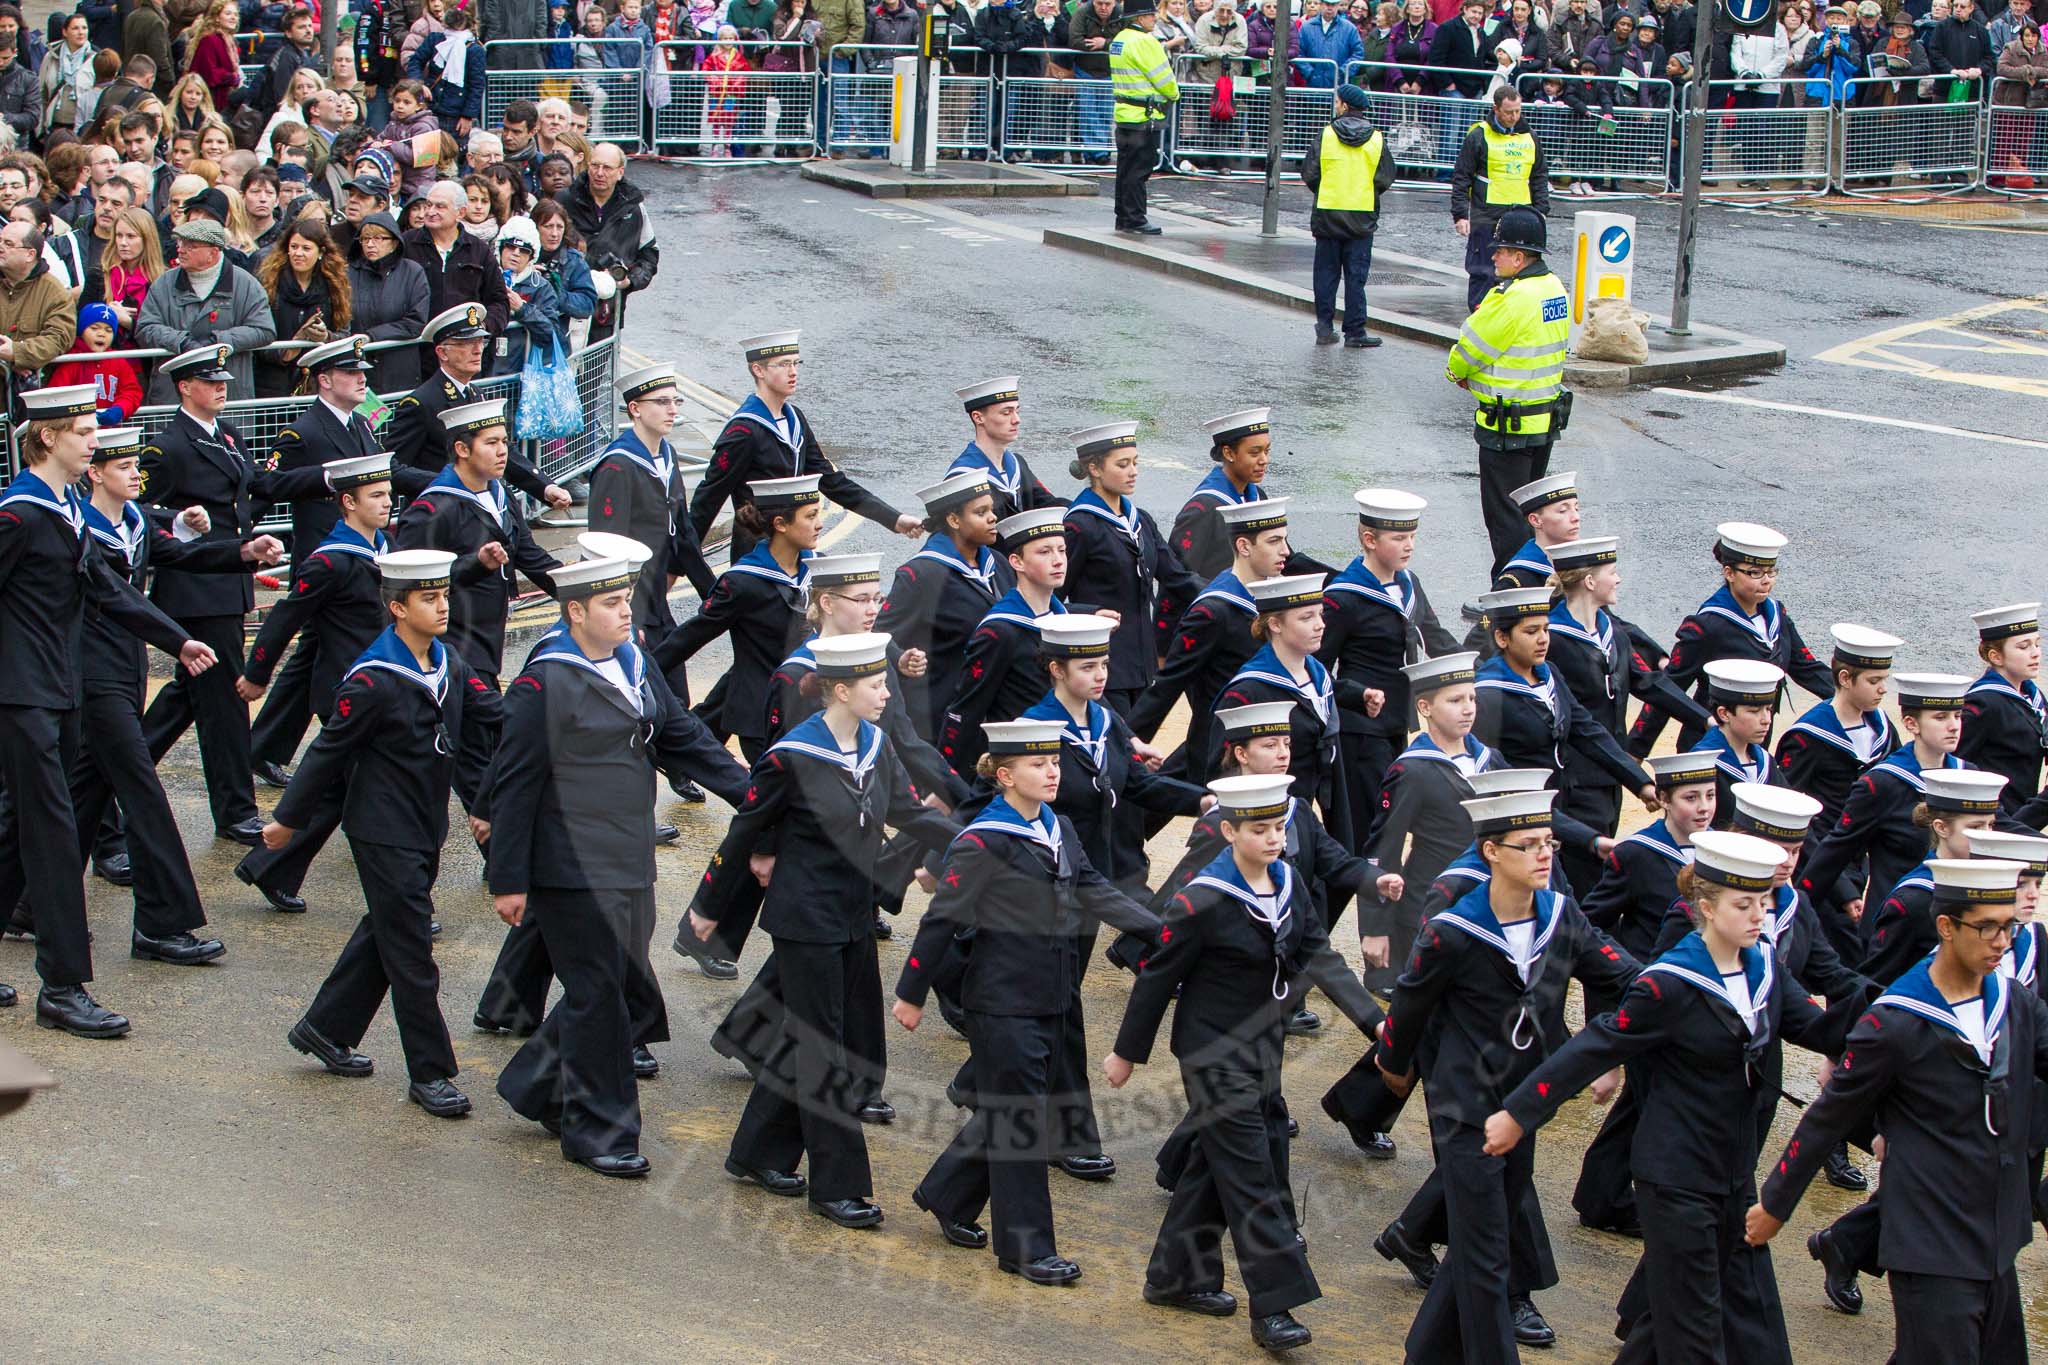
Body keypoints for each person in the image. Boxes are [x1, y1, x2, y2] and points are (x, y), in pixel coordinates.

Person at [1489, 829, 1853, 1363]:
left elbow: (1822, 1031)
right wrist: (1520, 1112)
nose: (1759, 915)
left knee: (1710, 1330)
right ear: (1706, 907)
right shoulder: (1669, 983)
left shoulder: (1765, 970)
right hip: (1675, 1177)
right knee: (1695, 1336)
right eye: (1744, 904)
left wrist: (1897, 1020)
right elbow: (1596, 1046)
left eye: (1763, 903)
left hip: (1732, 1176)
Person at [684, 633, 960, 1217]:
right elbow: (744, 833)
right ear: (840, 690)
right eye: (876, 684)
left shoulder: (876, 745)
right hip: (804, 918)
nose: (887, 693)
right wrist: (707, 907)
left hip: (851, 911)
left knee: (807, 1039)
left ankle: (757, 1150)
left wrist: (977, 846)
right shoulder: (792, 755)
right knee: (824, 1047)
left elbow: (908, 812)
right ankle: (837, 1186)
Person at [1108, 772, 1386, 1350]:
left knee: (1215, 1166)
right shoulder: (1201, 899)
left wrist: (1375, 1022)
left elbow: (1318, 954)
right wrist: (1126, 1053)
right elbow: (1158, 978)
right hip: (1212, 1054)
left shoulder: (1287, 880)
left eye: (1280, 827)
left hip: (1264, 1049)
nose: (1274, 839)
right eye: (1260, 829)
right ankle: (1275, 1307)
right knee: (1250, 1173)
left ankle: (1175, 1276)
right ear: (1229, 830)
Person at [487, 555, 734, 1177]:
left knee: (619, 987)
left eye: (626, 600)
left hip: (628, 853)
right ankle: (600, 1132)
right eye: (609, 604)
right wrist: (508, 878)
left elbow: (681, 735)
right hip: (569, 864)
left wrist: (755, 792)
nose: (626, 611)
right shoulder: (545, 683)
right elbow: (515, 784)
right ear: (574, 612)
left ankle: (539, 1086)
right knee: (599, 993)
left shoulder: (632, 663)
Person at [1747, 856, 2048, 1365]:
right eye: (1989, 928)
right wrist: (1775, 1203)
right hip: (1929, 1235)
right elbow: (1831, 1115)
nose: (2003, 941)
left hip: (1995, 1233)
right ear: (1947, 927)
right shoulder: (1896, 1021)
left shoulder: (2012, 1001)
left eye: (2010, 927)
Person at [1374, 787, 1640, 1362]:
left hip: (1525, 1101)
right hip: (1464, 1106)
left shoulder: (1561, 916)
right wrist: (1393, 1068)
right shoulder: (1453, 928)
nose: (1546, 855)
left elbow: (1624, 975)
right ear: (1491, 852)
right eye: (1530, 846)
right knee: (1488, 1253)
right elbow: (1411, 1006)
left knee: (1478, 1246)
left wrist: (1648, 1019)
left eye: (1549, 844)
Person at [899, 715, 1162, 1279]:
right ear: (1003, 775)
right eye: (1038, 764)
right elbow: (942, 919)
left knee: (1013, 1111)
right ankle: (1026, 1249)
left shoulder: (1058, 826)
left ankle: (946, 1194)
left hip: (1052, 994)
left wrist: (1159, 930)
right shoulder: (983, 841)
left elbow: (1094, 888)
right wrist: (911, 991)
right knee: (1024, 1121)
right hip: (1002, 1001)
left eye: (1055, 762)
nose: (1051, 772)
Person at [0, 386, 218, 1036]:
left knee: (19, 829)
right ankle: (64, 986)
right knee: (50, 834)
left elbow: (106, 588)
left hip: (62, 692)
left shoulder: (65, 507)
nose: (94, 439)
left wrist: (176, 639)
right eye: (83, 430)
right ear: (46, 438)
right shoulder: (19, 515)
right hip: (23, 695)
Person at [269, 539, 493, 1113]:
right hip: (380, 829)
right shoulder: (372, 679)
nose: (442, 607)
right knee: (412, 951)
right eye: (428, 598)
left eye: (444, 595)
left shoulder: (449, 663)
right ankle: (431, 1073)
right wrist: (287, 820)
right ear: (397, 607)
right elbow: (326, 752)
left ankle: (326, 1027)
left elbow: (493, 711)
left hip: (423, 826)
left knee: (387, 932)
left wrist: (560, 711)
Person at [71, 425, 278, 967]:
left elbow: (180, 554)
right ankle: (162, 924)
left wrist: (244, 552)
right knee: (142, 793)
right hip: (89, 672)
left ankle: (22, 903)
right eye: (123, 468)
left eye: (137, 466)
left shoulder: (134, 520)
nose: (136, 475)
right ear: (95, 474)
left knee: (83, 790)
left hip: (125, 668)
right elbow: (115, 596)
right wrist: (180, 641)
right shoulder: (81, 529)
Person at [137, 345, 331, 845]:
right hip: (196, 590)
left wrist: (328, 477)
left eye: (224, 379)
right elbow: (138, 512)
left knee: (187, 694)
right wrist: (179, 522)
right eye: (209, 381)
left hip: (228, 582)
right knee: (223, 702)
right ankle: (234, 808)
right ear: (184, 388)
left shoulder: (225, 434)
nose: (223, 386)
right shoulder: (169, 447)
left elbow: (258, 486)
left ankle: (120, 768)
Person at [1318, 489, 1459, 871]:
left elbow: (1436, 638)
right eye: (1398, 538)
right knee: (1368, 843)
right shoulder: (1344, 597)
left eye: (1412, 536)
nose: (1409, 545)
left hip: (1396, 728)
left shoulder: (1409, 584)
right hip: (1359, 736)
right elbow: (1313, 669)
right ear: (1369, 539)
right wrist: (1356, 693)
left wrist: (1477, 667)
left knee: (1386, 838)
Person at [690, 329, 922, 559]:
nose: (793, 372)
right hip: (757, 559)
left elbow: (831, 481)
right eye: (782, 364)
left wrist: (894, 518)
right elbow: (708, 500)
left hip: (795, 551)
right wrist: (679, 569)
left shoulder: (795, 418)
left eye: (795, 363)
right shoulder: (743, 431)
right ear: (757, 370)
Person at [1626, 521, 1837, 758]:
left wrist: (1847, 700)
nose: (1766, 580)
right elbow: (1669, 687)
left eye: (1771, 571)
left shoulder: (1777, 615)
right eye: (1754, 573)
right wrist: (1636, 749)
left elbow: (1805, 667)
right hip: (1708, 746)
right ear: (1729, 573)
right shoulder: (1707, 625)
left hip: (1755, 743)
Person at [1130, 497, 1298, 787]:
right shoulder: (1212, 611)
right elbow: (1170, 683)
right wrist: (1127, 739)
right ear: (1244, 547)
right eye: (1274, 541)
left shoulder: (1273, 601)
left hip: (1271, 748)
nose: (1285, 551)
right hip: (1225, 758)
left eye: (1284, 540)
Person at [393, 400, 562, 686]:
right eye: (491, 442)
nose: (502, 451)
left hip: (487, 642)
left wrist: (582, 588)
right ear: (462, 449)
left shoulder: (501, 495)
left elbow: (529, 556)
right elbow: (410, 586)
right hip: (449, 649)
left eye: (505, 442)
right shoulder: (431, 511)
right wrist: (477, 564)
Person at [655, 474, 820, 766]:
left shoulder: (819, 570)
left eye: (818, 514)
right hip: (761, 720)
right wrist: (640, 674)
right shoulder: (743, 582)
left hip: (808, 711)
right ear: (780, 524)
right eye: (810, 516)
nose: (819, 524)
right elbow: (690, 637)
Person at [1445, 206, 1569, 579]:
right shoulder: (1553, 288)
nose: (1493, 254)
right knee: (1529, 513)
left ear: (1519, 257)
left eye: (1500, 250)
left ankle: (1512, 591)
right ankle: (1532, 581)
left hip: (1507, 428)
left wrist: (1456, 373)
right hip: (1542, 422)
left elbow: (1467, 349)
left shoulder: (1512, 298)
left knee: (1506, 519)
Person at [1774, 623, 1903, 953]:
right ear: (1845, 678)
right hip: (1825, 866)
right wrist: (1841, 890)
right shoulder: (1808, 736)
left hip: (1869, 863)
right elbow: (1791, 815)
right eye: (1874, 681)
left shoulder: (1883, 731)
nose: (1882, 690)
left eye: (1884, 681)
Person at [1061, 421, 1202, 717]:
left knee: (1139, 756)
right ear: (1095, 469)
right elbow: (1050, 597)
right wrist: (1088, 614)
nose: (1133, 471)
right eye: (1122, 464)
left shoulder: (1141, 521)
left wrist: (1230, 593)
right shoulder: (1080, 526)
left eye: (1135, 463)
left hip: (1143, 665)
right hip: (1102, 668)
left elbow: (1177, 577)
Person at [582, 362, 717, 662]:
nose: (673, 410)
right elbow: (609, 549)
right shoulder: (617, 466)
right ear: (635, 409)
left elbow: (683, 533)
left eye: (675, 401)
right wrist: (632, 618)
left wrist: (716, 595)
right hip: (632, 608)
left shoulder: (666, 454)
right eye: (662, 401)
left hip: (658, 604)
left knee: (676, 701)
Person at [940, 505, 1086, 778]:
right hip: (1026, 770)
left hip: (1072, 761)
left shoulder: (1064, 620)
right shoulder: (1000, 631)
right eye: (1044, 552)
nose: (1058, 560)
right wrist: (945, 784)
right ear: (1016, 562)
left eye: (1062, 550)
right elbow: (965, 712)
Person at [387, 303, 571, 510]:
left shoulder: (475, 394)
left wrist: (545, 488)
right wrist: (449, 483)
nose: (477, 350)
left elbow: (502, 452)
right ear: (442, 353)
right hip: (439, 513)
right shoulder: (421, 403)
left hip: (479, 508)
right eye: (465, 343)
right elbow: (392, 469)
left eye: (480, 342)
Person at [877, 469, 1013, 743]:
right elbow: (880, 633)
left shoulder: (997, 563)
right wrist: (900, 657)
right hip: (943, 718)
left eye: (992, 509)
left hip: (995, 707)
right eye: (980, 512)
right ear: (953, 519)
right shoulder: (922, 574)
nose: (993, 517)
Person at [135, 217, 275, 404]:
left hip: (228, 398)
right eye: (181, 243)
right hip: (173, 397)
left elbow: (264, 330)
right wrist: (182, 342)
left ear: (213, 252)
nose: (181, 249)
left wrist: (218, 342)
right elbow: (145, 328)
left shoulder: (246, 285)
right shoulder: (164, 284)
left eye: (191, 246)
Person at [1302, 82, 1396, 348]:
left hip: (1328, 214)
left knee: (1325, 274)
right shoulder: (1377, 138)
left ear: (1344, 105)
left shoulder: (1326, 134)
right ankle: (1355, 332)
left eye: (1337, 102)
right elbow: (1386, 176)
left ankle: (1324, 327)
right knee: (1356, 277)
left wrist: (1327, 191)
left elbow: (1309, 173)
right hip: (1361, 215)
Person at [1449, 86, 1552, 313]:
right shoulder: (1478, 135)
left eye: (1517, 111)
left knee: (1520, 272)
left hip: (1521, 217)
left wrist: (1542, 209)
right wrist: (1460, 214)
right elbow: (1462, 176)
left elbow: (1539, 175)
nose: (1514, 117)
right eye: (1508, 112)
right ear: (1495, 109)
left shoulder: (1530, 136)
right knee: (1483, 271)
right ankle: (1480, 320)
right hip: (1486, 216)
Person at [557, 142, 655, 340]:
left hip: (608, 309)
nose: (599, 173)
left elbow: (649, 255)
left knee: (600, 369)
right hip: (567, 305)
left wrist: (630, 281)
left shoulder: (633, 207)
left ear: (620, 172)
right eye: (595, 165)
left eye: (607, 168)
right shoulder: (564, 200)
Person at [1961, 602, 2048, 812]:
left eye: (2037, 644)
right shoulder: (1983, 702)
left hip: (2024, 814)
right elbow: (1957, 764)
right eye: (2023, 646)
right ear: (1995, 656)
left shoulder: (2033, 696)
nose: (2035, 653)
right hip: (1993, 820)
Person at [401, 181, 513, 340]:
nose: (431, 211)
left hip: (465, 346)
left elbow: (499, 301)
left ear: (460, 213)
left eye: (440, 206)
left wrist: (483, 326)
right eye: (428, 205)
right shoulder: (406, 245)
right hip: (418, 346)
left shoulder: (478, 250)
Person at [252, 216, 349, 397]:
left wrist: (325, 337)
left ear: (320, 252)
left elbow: (344, 333)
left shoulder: (334, 286)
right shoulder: (268, 283)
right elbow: (258, 335)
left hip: (318, 383)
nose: (298, 253)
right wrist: (290, 347)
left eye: (306, 248)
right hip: (273, 385)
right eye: (294, 247)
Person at [944, 376, 1065, 521]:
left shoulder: (1017, 464)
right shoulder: (962, 477)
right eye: (1006, 413)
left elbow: (1048, 504)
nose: (1016, 420)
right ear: (978, 418)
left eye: (1017, 411)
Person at [1108, 0, 1178, 234]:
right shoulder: (1145, 41)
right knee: (1139, 170)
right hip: (1143, 116)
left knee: (1125, 168)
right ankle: (1136, 218)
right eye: (1150, 15)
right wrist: (1174, 94)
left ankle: (1123, 216)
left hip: (1125, 112)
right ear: (1139, 18)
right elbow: (1164, 79)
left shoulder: (1120, 39)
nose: (1155, 18)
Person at [1692, 658, 1791, 821]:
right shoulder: (1702, 764)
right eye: (1753, 711)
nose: (1766, 719)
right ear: (1724, 714)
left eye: (1768, 709)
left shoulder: (1765, 761)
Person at [344, 211, 430, 394]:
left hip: (399, 371)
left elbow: (416, 322)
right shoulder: (348, 274)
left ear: (395, 241)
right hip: (357, 369)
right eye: (365, 238)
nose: (370, 244)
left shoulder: (412, 272)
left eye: (378, 238)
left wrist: (372, 336)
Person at [0, 221, 78, 379]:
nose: (1, 247)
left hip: (27, 394)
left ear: (30, 254)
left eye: (8, 244)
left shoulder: (55, 293)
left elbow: (58, 339)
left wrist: (17, 353)